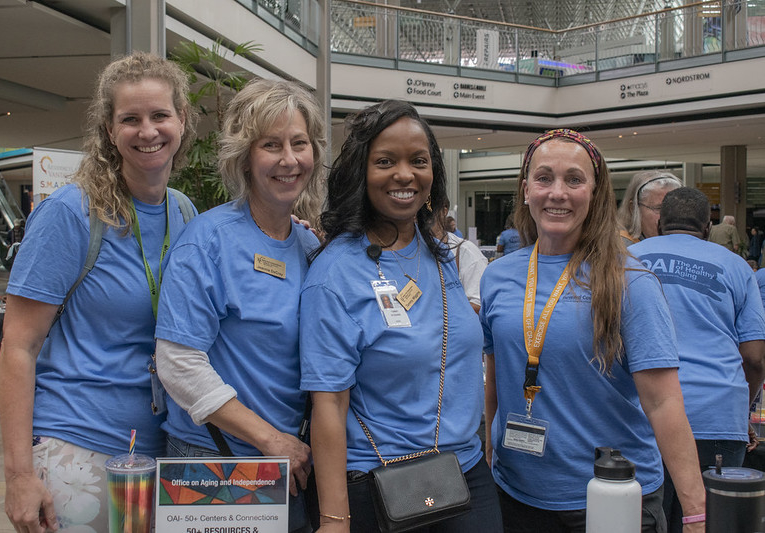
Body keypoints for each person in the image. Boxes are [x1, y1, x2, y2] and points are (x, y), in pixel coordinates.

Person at [0, 51, 198, 532]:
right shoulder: (72, 213)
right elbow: (18, 347)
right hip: (78, 448)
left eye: (159, 115)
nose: (147, 131)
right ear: (110, 130)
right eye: (130, 119)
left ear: (182, 120)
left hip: (158, 450)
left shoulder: (185, 212)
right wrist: (19, 474)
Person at [481, 129, 706, 532]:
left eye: (574, 179)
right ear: (526, 189)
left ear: (595, 192)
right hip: (515, 495)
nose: (557, 193)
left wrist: (695, 513)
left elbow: (664, 403)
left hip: (609, 497)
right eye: (544, 177)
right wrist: (489, 449)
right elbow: (498, 375)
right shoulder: (498, 276)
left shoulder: (629, 280)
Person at [300, 100, 502, 533]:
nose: (405, 175)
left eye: (419, 161)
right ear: (360, 172)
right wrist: (335, 520)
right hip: (376, 483)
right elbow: (329, 405)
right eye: (385, 161)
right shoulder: (334, 275)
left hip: (462, 471)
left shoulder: (441, 255)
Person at [154, 78, 326, 533]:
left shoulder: (310, 246)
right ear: (245, 157)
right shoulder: (207, 242)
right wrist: (270, 440)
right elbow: (177, 364)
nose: (289, 160)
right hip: (212, 461)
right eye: (271, 145)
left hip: (290, 461)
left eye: (299, 144)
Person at [629, 187, 765, 532]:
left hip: (641, 417)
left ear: (659, 223)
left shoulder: (626, 259)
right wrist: (741, 407)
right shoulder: (735, 266)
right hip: (718, 415)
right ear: (708, 227)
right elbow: (754, 357)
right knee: (709, 521)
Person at [617, 170, 682, 245]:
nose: (670, 216)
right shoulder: (620, 249)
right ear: (633, 208)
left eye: (675, 208)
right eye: (659, 208)